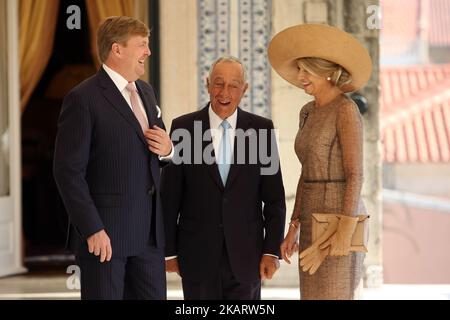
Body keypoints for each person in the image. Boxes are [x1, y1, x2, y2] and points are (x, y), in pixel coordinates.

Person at [53, 16, 173, 300]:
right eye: (142, 45)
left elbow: (159, 151)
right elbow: (67, 172)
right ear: (117, 50)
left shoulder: (146, 91)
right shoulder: (82, 98)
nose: (148, 52)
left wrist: (168, 150)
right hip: (105, 240)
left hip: (150, 239)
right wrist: (92, 228)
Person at [161, 56, 286, 300]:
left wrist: (271, 251)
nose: (224, 92)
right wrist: (170, 252)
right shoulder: (183, 128)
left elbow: (274, 199)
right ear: (207, 85)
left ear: (245, 89)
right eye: (218, 84)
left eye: (233, 85)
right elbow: (169, 197)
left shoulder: (262, 130)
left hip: (247, 258)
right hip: (196, 257)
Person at [268, 24, 372, 300]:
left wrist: (344, 229)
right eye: (299, 69)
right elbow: (307, 173)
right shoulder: (307, 111)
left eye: (306, 70)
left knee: (337, 294)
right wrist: (293, 228)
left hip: (340, 217)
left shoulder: (346, 110)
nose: (300, 77)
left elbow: (356, 175)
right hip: (312, 217)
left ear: (327, 73)